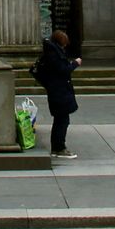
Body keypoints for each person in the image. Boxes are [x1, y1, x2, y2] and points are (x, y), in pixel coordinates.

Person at [36, 29, 82, 157]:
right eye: (64, 42)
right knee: (62, 121)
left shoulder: (53, 52)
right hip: (59, 92)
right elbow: (62, 70)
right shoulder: (53, 54)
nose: (66, 45)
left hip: (58, 91)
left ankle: (58, 146)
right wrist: (74, 64)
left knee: (60, 120)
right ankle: (59, 147)